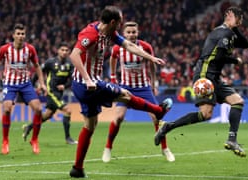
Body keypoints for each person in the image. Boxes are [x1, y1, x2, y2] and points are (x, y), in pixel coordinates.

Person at [69, 6, 173, 178]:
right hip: (87, 84)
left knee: (90, 125)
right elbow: (74, 55)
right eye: (120, 22)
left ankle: (77, 168)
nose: (121, 25)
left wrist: (151, 58)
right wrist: (87, 78)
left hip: (85, 85)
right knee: (125, 94)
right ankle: (158, 110)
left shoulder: (109, 33)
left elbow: (129, 45)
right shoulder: (91, 34)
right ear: (112, 22)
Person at [154, 6, 248, 157]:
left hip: (215, 77)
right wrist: (235, 60)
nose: (242, 22)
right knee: (205, 114)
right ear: (235, 18)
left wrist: (234, 27)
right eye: (240, 19)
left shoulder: (229, 32)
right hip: (205, 76)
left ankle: (232, 140)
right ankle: (167, 127)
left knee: (238, 102)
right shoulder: (223, 32)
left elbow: (245, 44)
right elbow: (219, 58)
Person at [102, 21, 175, 163]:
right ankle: (108, 148)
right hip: (125, 87)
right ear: (124, 34)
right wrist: (112, 77)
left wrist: (154, 82)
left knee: (157, 117)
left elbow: (152, 64)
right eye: (128, 32)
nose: (131, 34)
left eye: (133, 32)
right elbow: (112, 59)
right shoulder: (118, 48)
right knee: (118, 118)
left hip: (144, 88)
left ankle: (165, 149)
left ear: (138, 32)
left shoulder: (146, 47)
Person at [0, 23, 47, 154]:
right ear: (13, 35)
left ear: (25, 35)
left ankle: (35, 140)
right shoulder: (5, 49)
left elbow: (37, 66)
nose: (21, 36)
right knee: (7, 108)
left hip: (25, 84)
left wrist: (42, 83)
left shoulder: (30, 49)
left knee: (38, 109)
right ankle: (5, 141)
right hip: (10, 83)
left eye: (23, 34)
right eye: (18, 34)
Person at [22, 42, 78, 145]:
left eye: (66, 50)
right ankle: (68, 138)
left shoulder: (69, 64)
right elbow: (38, 71)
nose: (64, 52)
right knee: (67, 111)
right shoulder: (50, 62)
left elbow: (72, 79)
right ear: (58, 51)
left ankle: (28, 127)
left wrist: (64, 86)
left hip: (59, 92)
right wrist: (34, 85)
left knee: (47, 115)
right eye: (62, 50)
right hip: (51, 91)